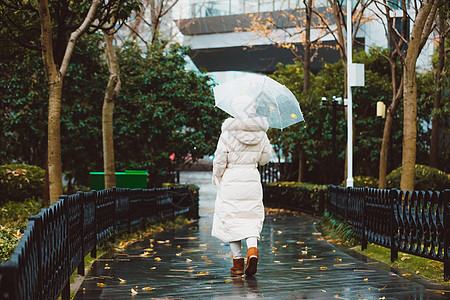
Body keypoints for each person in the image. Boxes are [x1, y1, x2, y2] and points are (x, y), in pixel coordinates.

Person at [211, 96, 274, 276]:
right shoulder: (261, 133)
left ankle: (237, 263)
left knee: (232, 219)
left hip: (231, 180)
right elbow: (264, 159)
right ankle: (252, 251)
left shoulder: (227, 133)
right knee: (251, 218)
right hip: (251, 179)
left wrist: (217, 177)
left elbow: (220, 160)